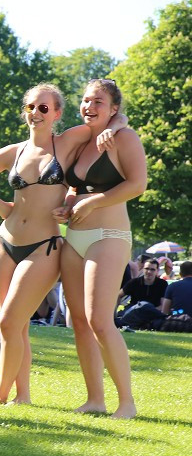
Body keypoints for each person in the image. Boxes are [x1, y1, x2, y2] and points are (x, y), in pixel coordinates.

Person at [0, 82, 123, 405]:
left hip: (43, 247)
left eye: (43, 108)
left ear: (57, 113)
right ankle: (22, 396)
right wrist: (0, 206)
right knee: (14, 325)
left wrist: (118, 123)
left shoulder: (67, 142)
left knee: (9, 320)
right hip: (5, 242)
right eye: (30, 107)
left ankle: (0, 392)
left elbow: (104, 124)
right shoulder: (14, 151)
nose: (35, 113)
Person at [53, 79, 146, 419]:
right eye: (86, 100)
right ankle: (95, 399)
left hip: (108, 235)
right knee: (78, 321)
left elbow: (137, 184)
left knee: (100, 321)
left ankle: (127, 403)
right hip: (74, 239)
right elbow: (75, 188)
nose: (90, 106)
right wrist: (69, 204)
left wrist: (93, 205)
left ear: (114, 109)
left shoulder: (124, 137)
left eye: (99, 102)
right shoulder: (82, 141)